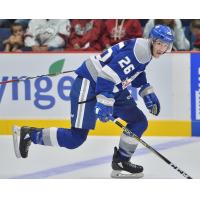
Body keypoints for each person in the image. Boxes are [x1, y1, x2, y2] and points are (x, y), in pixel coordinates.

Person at [13, 24, 174, 178]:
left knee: (138, 121)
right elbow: (106, 75)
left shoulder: (146, 50)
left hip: (111, 88)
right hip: (89, 85)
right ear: (152, 40)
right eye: (159, 43)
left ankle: (121, 162)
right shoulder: (141, 51)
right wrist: (105, 102)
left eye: (166, 45)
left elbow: (134, 70)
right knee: (75, 139)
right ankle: (29, 134)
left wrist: (145, 89)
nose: (162, 48)